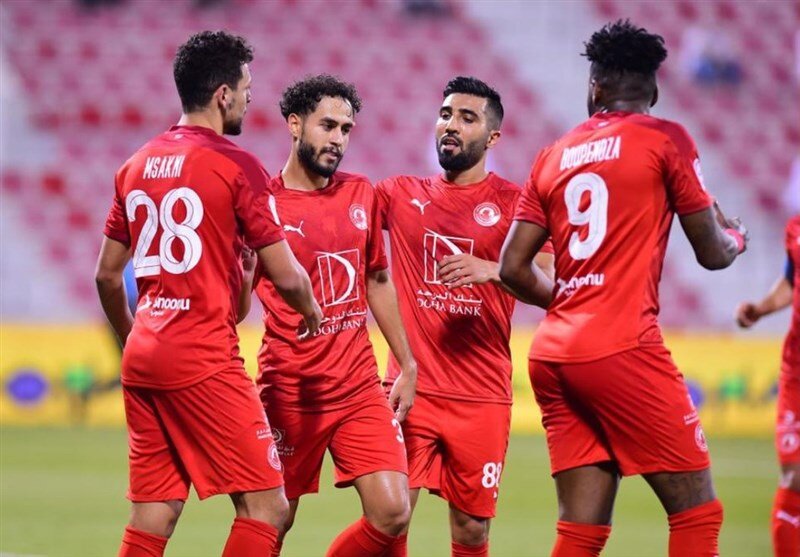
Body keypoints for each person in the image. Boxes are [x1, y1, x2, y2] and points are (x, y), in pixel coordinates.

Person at [499, 20, 748, 557]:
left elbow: (512, 267)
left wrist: (570, 301)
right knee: (698, 514)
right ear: (653, 91)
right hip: (621, 345)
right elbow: (712, 253)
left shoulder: (553, 154)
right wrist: (737, 238)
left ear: (595, 87)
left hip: (554, 355)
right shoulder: (666, 137)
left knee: (580, 531)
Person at [95, 31, 321, 557]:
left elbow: (106, 275)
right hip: (201, 355)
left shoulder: (134, 165)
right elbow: (287, 277)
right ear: (223, 95)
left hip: (145, 355)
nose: (248, 99)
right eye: (246, 90)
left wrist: (132, 338)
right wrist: (310, 307)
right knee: (267, 508)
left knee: (155, 512)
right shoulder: (237, 165)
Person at [375, 76, 554, 557]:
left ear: (492, 137)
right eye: (446, 114)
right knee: (390, 517)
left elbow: (553, 288)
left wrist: (497, 270)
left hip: (481, 396)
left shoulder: (517, 205)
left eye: (467, 118)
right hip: (411, 387)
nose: (451, 125)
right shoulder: (399, 194)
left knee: (472, 530)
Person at [241, 74, 416, 557]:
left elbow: (377, 279)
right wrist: (244, 270)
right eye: (327, 126)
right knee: (272, 520)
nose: (338, 139)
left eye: (346, 129)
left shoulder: (361, 193)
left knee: (394, 512)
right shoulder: (262, 204)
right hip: (290, 388)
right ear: (295, 124)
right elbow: (237, 308)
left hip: (358, 386)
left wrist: (407, 363)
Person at [736, 214, 800, 556]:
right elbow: (792, 281)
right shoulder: (795, 229)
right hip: (797, 372)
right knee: (794, 478)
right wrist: (761, 309)